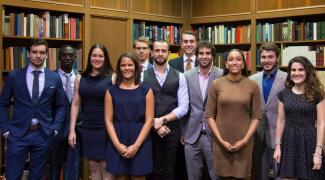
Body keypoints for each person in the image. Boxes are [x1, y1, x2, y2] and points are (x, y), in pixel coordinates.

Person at [0, 39, 66, 179]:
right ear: (28, 54)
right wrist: (6, 130)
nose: (38, 56)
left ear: (47, 55)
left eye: (42, 52)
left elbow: (61, 105)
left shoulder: (54, 78)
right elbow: (2, 104)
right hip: (17, 135)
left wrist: (54, 129)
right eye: (34, 52)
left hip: (43, 135)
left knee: (37, 176)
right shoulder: (14, 76)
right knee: (12, 176)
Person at [205, 49, 261, 179]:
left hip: (244, 143)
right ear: (226, 64)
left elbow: (256, 117)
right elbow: (209, 115)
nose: (234, 62)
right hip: (221, 143)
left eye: (238, 59)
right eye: (231, 59)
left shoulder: (252, 86)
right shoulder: (216, 84)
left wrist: (245, 140)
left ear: (243, 64)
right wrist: (220, 140)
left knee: (242, 176)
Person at [143, 40, 189, 180]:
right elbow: (140, 105)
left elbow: (184, 106)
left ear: (169, 53)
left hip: (172, 130)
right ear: (152, 53)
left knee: (169, 170)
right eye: (157, 50)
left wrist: (162, 120)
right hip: (148, 130)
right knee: (152, 170)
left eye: (163, 51)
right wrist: (154, 125)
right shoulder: (142, 76)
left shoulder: (179, 76)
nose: (160, 54)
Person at [273, 56, 325, 180]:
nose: (297, 73)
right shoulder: (283, 95)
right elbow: (280, 121)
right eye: (293, 70)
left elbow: (321, 123)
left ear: (307, 72)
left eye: (300, 70)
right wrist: (278, 147)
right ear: (290, 73)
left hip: (310, 141)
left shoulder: (318, 94)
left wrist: (318, 151)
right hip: (289, 141)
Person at [104, 52, 154, 180]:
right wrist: (117, 145)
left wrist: (136, 146)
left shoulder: (146, 91)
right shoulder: (111, 91)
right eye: (123, 65)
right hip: (118, 138)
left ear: (136, 67)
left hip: (140, 140)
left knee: (139, 177)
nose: (127, 68)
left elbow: (149, 121)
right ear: (119, 68)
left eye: (130, 65)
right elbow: (108, 121)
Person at [68, 44, 114, 180]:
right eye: (94, 55)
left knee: (106, 167)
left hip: (107, 128)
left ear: (105, 58)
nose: (97, 58)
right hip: (88, 128)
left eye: (101, 56)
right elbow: (75, 104)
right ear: (89, 58)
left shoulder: (112, 78)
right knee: (93, 166)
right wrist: (72, 130)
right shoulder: (80, 78)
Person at [183, 41, 222, 180]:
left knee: (216, 175)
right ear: (196, 55)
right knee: (193, 176)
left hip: (214, 135)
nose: (204, 56)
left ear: (213, 56)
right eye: (201, 53)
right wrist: (183, 132)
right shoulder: (187, 76)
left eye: (207, 53)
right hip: (191, 135)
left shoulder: (222, 75)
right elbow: (183, 105)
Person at [249, 43, 287, 180]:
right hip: (258, 136)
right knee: (260, 174)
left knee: (281, 174)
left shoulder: (288, 79)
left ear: (277, 58)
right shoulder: (252, 79)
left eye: (270, 57)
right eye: (263, 57)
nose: (266, 60)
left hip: (280, 135)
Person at [49, 44, 82, 180]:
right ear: (59, 57)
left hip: (76, 128)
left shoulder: (81, 78)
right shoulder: (50, 77)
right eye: (64, 55)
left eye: (71, 55)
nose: (68, 58)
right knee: (54, 166)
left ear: (75, 58)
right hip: (56, 128)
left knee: (73, 167)